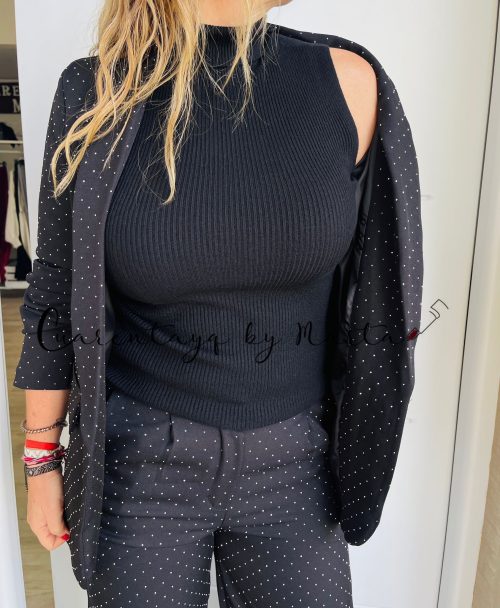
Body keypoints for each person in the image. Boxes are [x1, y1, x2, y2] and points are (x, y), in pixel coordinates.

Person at [15, 0, 423, 605]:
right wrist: (40, 458)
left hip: (297, 465)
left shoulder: (349, 84)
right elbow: (55, 286)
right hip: (141, 462)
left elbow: (380, 281)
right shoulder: (96, 91)